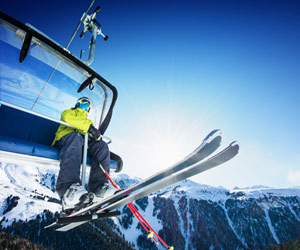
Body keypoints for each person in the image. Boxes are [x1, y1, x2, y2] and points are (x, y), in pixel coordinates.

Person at [51, 97, 116, 211]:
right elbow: (68, 119)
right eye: (83, 103)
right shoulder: (69, 112)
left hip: (80, 144)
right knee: (76, 137)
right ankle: (68, 190)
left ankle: (98, 188)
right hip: (65, 140)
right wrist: (89, 128)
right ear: (77, 104)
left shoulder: (88, 122)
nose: (85, 106)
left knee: (102, 146)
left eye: (88, 105)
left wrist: (95, 137)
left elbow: (89, 137)